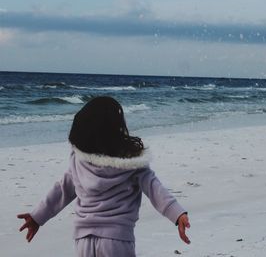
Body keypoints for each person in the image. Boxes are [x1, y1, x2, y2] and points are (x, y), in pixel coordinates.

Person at [17, 96, 190, 257]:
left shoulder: (79, 161)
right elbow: (155, 189)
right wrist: (177, 214)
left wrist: (37, 216)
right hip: (117, 239)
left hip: (83, 240)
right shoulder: (132, 163)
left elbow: (62, 190)